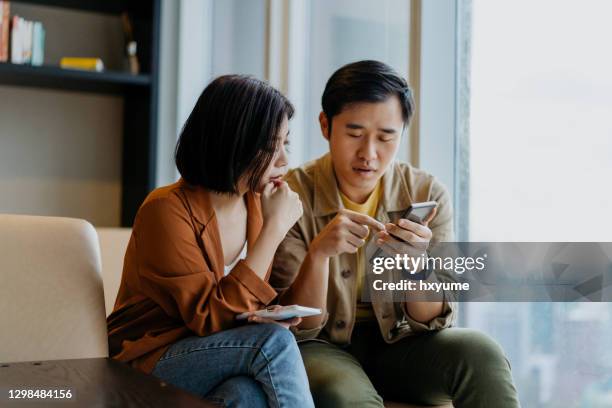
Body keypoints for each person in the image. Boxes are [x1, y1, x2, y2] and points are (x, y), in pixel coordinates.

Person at [271, 60, 520, 407]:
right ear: (326, 125)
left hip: (401, 345)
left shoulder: (426, 194)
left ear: (402, 131)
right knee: (344, 394)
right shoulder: (290, 195)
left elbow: (431, 319)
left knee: (481, 354)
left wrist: (416, 264)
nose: (369, 154)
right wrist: (319, 254)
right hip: (320, 345)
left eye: (386, 137)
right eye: (354, 133)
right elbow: (300, 324)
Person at [107, 75, 314, 408]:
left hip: (209, 353)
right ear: (231, 141)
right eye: (268, 146)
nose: (283, 160)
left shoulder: (256, 204)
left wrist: (263, 314)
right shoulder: (165, 210)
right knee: (272, 344)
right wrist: (275, 230)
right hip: (146, 360)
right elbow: (210, 316)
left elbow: (239, 305)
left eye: (285, 144)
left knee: (246, 396)